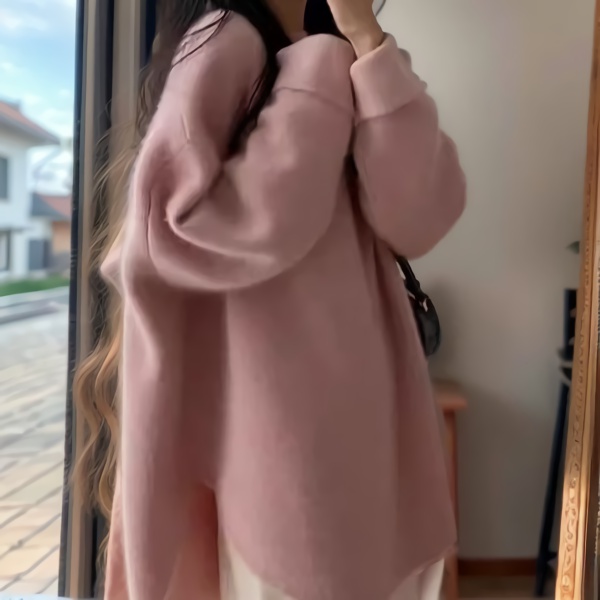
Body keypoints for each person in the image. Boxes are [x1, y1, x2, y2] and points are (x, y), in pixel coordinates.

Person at [74, 0, 466, 599]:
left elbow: (420, 218)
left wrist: (365, 40)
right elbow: (175, 227)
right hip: (286, 442)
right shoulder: (225, 39)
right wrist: (321, 70)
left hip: (374, 429)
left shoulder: (360, 54)